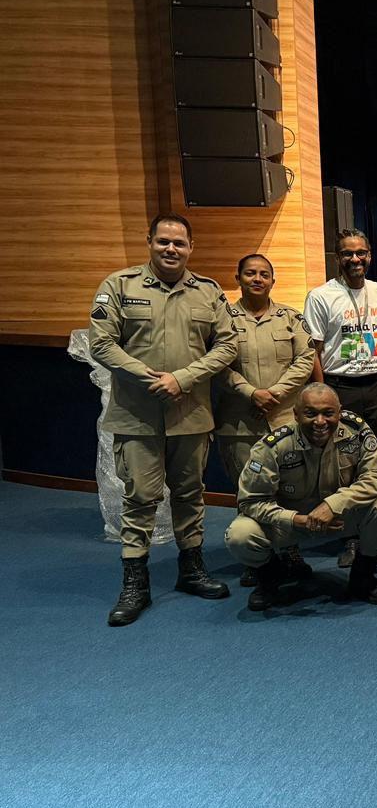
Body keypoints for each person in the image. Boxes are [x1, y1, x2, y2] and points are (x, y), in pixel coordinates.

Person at [89, 213, 237, 627]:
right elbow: (101, 344)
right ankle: (136, 583)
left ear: (191, 247)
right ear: (149, 242)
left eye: (179, 243)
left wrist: (183, 378)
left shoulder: (208, 293)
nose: (171, 249)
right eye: (163, 241)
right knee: (140, 499)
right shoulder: (119, 287)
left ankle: (191, 570)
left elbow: (226, 346)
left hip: (190, 414)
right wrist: (150, 377)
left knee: (190, 495)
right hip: (137, 416)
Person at [224, 384, 377, 610]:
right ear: (296, 415)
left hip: (339, 519)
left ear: (339, 412)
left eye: (328, 413)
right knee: (240, 535)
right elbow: (250, 501)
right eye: (310, 414)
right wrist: (294, 519)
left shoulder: (356, 431)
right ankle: (270, 577)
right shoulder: (273, 447)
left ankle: (363, 576)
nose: (320, 421)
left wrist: (333, 505)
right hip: (291, 524)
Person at [214, 254, 316, 586]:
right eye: (250, 273)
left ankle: (289, 551)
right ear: (238, 278)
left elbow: (305, 358)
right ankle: (256, 557)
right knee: (249, 492)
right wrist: (249, 392)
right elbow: (214, 364)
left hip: (284, 417)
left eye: (264, 274)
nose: (257, 279)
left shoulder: (290, 318)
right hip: (239, 423)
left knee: (286, 491)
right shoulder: (222, 319)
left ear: (273, 280)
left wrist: (274, 392)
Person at [303, 228, 377, 567]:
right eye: (347, 253)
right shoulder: (321, 296)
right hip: (340, 387)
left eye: (361, 253)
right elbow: (314, 350)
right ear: (337, 257)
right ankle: (352, 537)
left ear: (370, 254)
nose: (355, 259)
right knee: (346, 464)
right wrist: (322, 393)